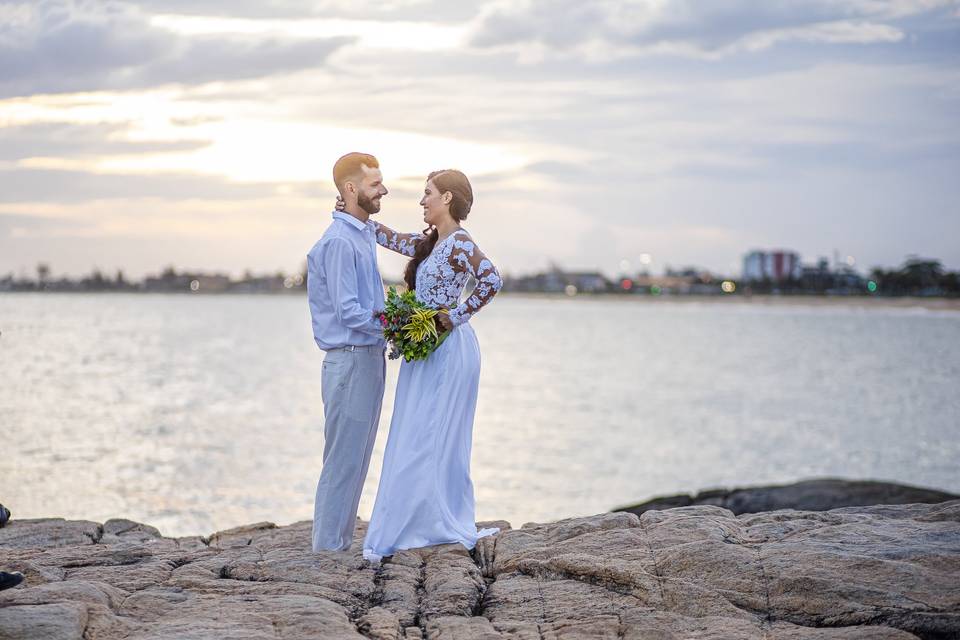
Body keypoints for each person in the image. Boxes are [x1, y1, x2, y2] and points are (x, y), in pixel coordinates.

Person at [355, 169, 503, 562]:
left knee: (435, 430)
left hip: (450, 348)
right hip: (426, 346)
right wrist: (358, 215)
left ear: (448, 199)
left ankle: (434, 520)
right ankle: (415, 517)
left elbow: (491, 279)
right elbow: (391, 238)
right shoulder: (431, 243)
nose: (422, 201)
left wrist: (452, 316)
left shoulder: (459, 243)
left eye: (428, 194)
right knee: (415, 428)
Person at [307, 152, 389, 552]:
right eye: (376, 185)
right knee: (342, 462)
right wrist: (397, 325)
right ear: (351, 190)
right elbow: (349, 311)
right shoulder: (340, 241)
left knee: (357, 460)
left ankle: (338, 548)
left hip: (368, 357)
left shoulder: (361, 233)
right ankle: (326, 554)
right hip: (350, 357)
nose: (384, 190)